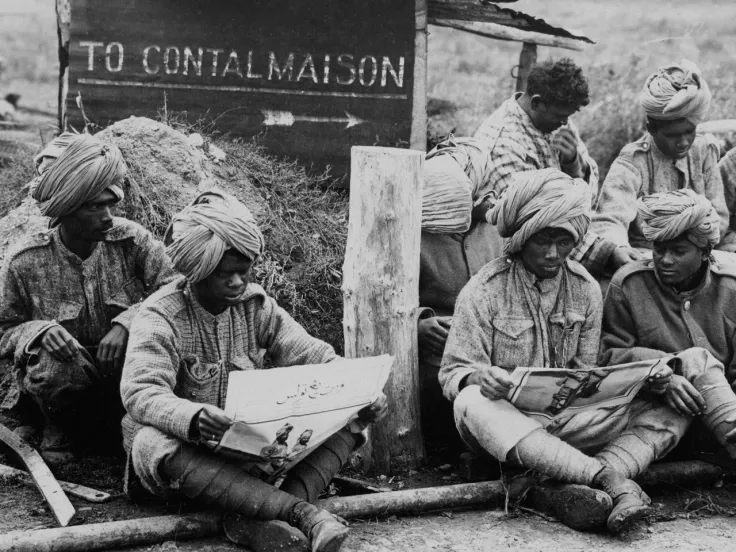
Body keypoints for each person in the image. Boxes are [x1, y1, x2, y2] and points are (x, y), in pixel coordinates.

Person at [121, 190, 388, 552]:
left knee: (354, 426)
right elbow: (141, 392)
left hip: (250, 449)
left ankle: (255, 518)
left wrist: (361, 390)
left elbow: (312, 354)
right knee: (150, 442)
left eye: (243, 273)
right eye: (225, 275)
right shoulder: (160, 316)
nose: (237, 283)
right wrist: (194, 416)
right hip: (192, 461)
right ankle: (304, 515)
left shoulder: (256, 307)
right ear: (197, 270)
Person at [439, 169, 689, 534]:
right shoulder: (483, 290)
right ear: (522, 237)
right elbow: (452, 372)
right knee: (471, 402)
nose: (554, 253)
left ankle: (564, 483)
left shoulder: (585, 288)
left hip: (569, 422)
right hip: (508, 427)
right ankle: (609, 479)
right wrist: (479, 376)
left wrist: (644, 379)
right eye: (543, 241)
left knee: (676, 400)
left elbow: (585, 369)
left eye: (564, 241)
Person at [0, 133, 177, 466]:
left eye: (111, 204)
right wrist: (38, 331)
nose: (108, 216)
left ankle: (122, 427)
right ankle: (61, 427)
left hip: (123, 370)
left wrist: (129, 322)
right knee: (56, 365)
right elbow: (3, 329)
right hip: (65, 379)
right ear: (66, 210)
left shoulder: (132, 240)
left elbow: (177, 290)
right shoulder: (25, 259)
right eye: (96, 207)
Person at [600, 190, 736, 465]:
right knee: (692, 367)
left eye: (679, 251)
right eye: (660, 249)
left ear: (705, 252)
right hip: (653, 410)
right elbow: (609, 356)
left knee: (702, 367)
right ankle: (599, 479)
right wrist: (663, 375)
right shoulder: (629, 285)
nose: (665, 259)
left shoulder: (730, 287)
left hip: (724, 410)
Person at [473, 58, 639, 279]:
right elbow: (539, 225)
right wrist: (608, 253)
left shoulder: (552, 118)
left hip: (568, 242)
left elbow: (588, 196)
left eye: (569, 116)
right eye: (561, 116)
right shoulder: (504, 145)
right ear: (536, 102)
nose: (565, 122)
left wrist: (573, 164)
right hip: (523, 262)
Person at [576, 61, 733, 279]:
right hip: (651, 256)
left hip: (697, 252)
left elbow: (719, 215)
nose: (683, 142)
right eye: (672, 135)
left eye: (689, 132)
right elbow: (611, 219)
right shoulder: (631, 162)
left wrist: (696, 242)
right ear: (651, 129)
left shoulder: (704, 151)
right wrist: (619, 249)